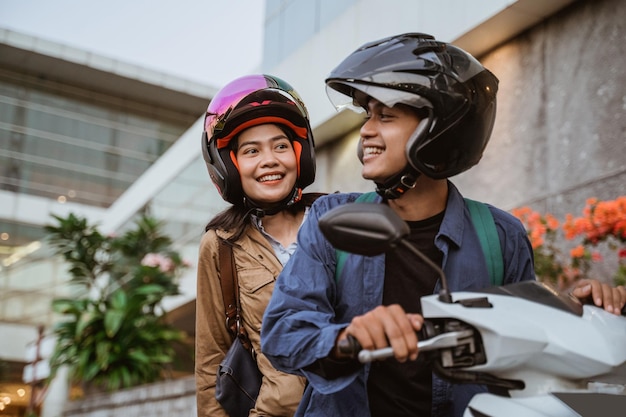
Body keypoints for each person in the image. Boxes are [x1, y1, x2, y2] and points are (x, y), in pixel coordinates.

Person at [260, 33, 626, 417]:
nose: (367, 130)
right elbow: (285, 334)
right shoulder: (331, 218)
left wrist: (585, 318)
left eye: (385, 115)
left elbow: (529, 351)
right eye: (367, 114)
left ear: (440, 128)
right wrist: (347, 338)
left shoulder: (501, 237)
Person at [195, 74, 324, 417]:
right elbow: (210, 362)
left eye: (280, 145)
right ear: (229, 164)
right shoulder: (220, 245)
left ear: (300, 153)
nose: (270, 160)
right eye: (252, 150)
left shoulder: (337, 220)